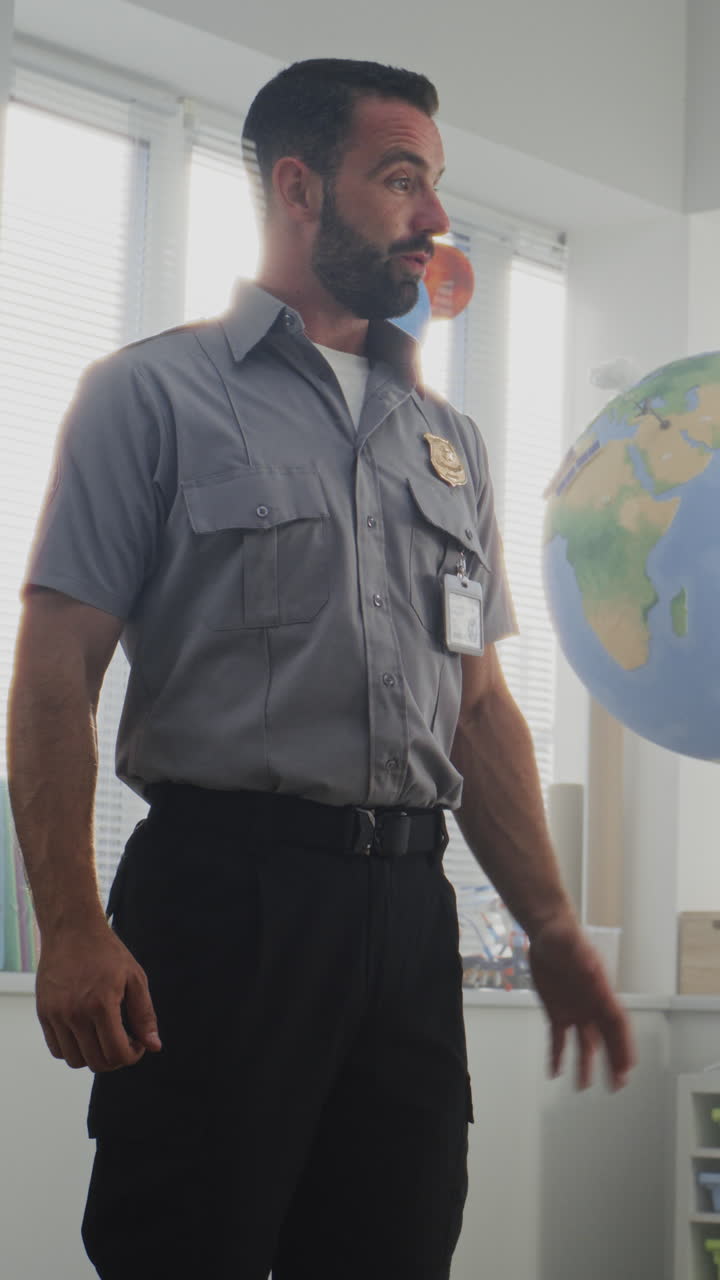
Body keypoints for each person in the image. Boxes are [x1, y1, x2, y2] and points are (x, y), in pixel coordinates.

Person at [7, 57, 634, 1280]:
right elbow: (50, 675)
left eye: (437, 184)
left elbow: (481, 706)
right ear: (299, 187)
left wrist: (551, 923)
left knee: (394, 1248)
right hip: (220, 905)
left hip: (406, 916)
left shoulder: (449, 442)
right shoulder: (149, 395)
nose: (435, 217)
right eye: (401, 179)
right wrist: (71, 924)